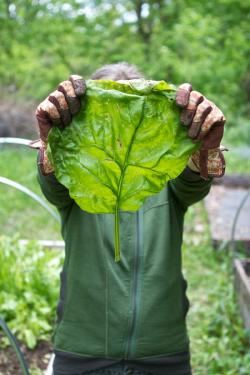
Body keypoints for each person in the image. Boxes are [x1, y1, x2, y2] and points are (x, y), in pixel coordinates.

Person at [34, 62, 226, 375]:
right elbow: (53, 182)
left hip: (162, 351)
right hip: (83, 350)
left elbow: (194, 182)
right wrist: (52, 143)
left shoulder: (164, 173)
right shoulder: (75, 173)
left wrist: (207, 147)